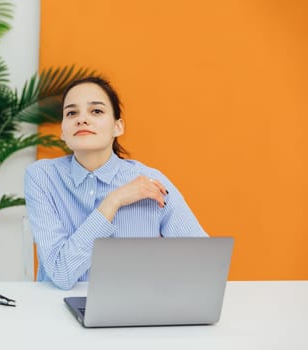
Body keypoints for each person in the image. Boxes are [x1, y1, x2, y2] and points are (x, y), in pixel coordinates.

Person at [24, 76, 207, 290]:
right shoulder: (42, 177)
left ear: (118, 127)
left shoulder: (150, 181)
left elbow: (202, 261)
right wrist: (114, 201)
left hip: (134, 310)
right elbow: (61, 273)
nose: (82, 119)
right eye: (71, 113)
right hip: (57, 310)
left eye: (96, 111)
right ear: (63, 132)